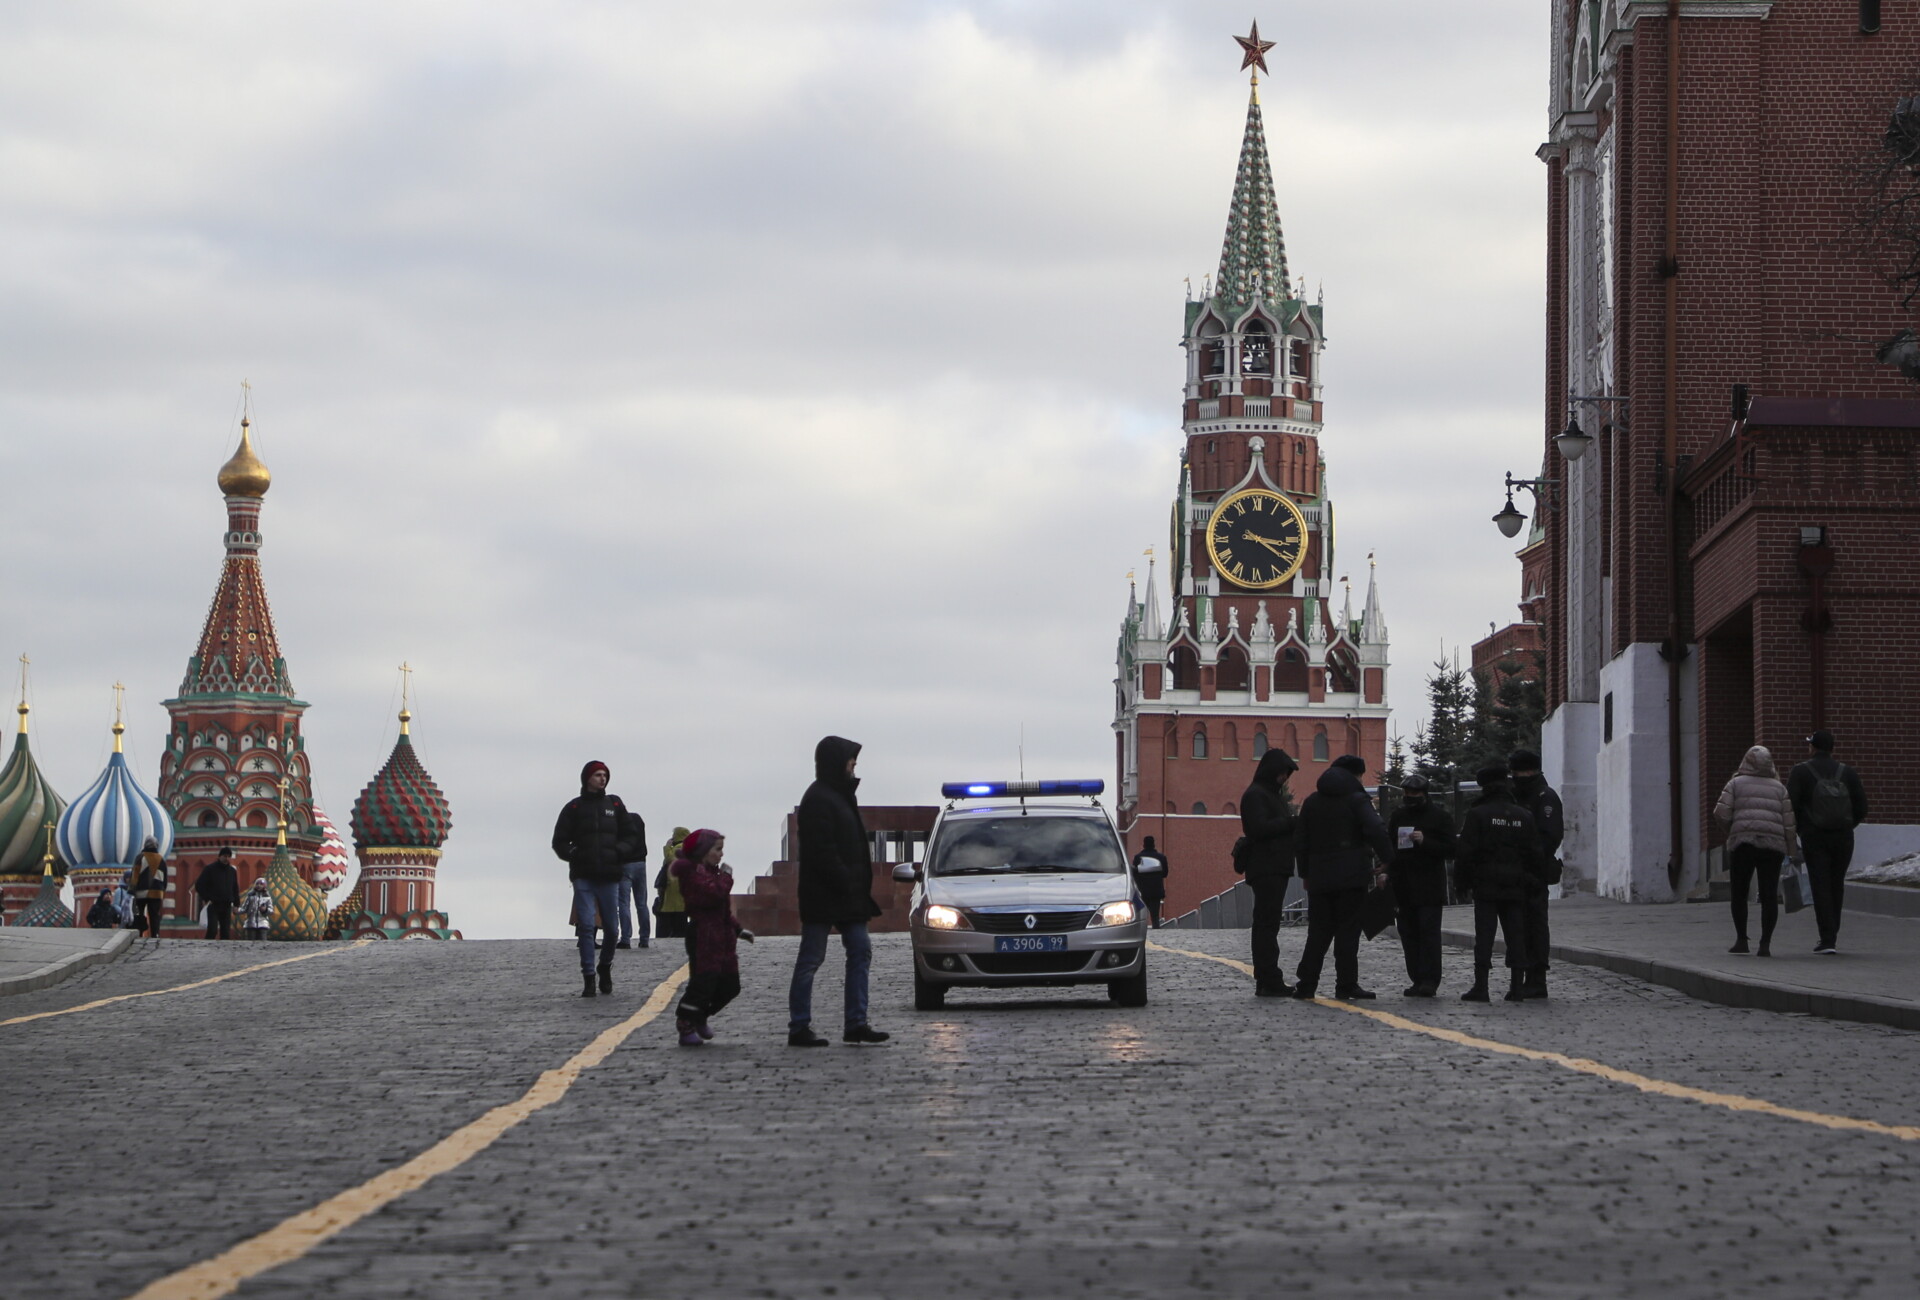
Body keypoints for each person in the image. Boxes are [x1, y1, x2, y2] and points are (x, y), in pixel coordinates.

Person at [787, 736, 889, 1046]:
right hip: (826, 894)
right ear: (837, 763)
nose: (854, 768)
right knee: (811, 959)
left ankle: (856, 1022)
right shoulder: (818, 798)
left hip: (849, 894)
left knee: (860, 952)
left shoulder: (840, 796)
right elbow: (823, 851)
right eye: (851, 763)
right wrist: (847, 880)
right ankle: (799, 1027)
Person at [1292, 754, 1392, 1001]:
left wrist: (1305, 873)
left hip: (1319, 877)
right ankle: (1346, 984)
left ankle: (1306, 984)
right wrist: (1389, 858)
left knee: (1318, 932)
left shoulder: (1312, 802)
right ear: (1356, 775)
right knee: (1348, 932)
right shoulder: (1357, 800)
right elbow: (1376, 829)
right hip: (1351, 875)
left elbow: (1301, 841)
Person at [1454, 763, 1546, 1003]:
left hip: (1486, 884)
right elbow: (1535, 853)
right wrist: (1532, 880)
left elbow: (1465, 852)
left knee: (1484, 936)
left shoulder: (1478, 814)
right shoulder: (1523, 815)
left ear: (1484, 787)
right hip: (1516, 885)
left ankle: (1481, 987)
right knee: (1516, 935)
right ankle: (1517, 987)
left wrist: (1461, 884)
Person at [551, 760, 640, 998]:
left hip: (610, 875)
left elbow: (631, 835)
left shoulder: (615, 804)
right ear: (587, 778)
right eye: (598, 775)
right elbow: (559, 841)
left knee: (612, 929)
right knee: (587, 927)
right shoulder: (574, 808)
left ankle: (605, 965)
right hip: (584, 876)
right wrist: (573, 855)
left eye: (605, 775)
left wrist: (620, 851)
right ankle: (589, 976)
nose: (602, 779)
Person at [671, 829, 755, 1046]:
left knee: (730, 985)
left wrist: (737, 930)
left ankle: (700, 1015)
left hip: (723, 938)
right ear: (703, 851)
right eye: (717, 850)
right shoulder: (692, 874)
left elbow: (722, 911)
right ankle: (686, 1021)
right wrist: (727, 877)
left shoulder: (711, 872)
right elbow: (714, 894)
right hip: (704, 937)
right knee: (703, 983)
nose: (721, 855)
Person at [1787, 730, 1868, 955]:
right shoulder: (1848, 772)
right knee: (1836, 883)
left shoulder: (1800, 772)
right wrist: (1846, 825)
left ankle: (1827, 938)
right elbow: (1862, 806)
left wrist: (1800, 831)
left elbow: (1790, 806)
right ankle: (1833, 933)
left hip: (1814, 837)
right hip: (1843, 838)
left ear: (1812, 747)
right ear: (1832, 748)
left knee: (1820, 884)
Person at [1712, 745, 1796, 957]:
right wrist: (1791, 849)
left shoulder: (1735, 784)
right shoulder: (1780, 789)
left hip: (1743, 844)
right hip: (1772, 845)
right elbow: (1789, 824)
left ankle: (1741, 939)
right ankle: (1765, 943)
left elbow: (1720, 812)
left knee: (1739, 892)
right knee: (1769, 894)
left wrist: (1732, 830)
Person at [1236, 748, 1300, 996]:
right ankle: (1268, 977)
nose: (1285, 779)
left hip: (1273, 866)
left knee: (1268, 924)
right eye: (1283, 773)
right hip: (1267, 867)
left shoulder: (1266, 794)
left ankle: (1267, 977)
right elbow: (1258, 828)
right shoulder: (1257, 795)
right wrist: (1291, 822)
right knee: (1266, 925)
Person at [1386, 773, 1456, 997]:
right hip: (1403, 886)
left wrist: (1426, 842)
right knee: (1408, 934)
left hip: (1429, 887)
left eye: (1414, 793)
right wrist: (1386, 869)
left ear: (1424, 794)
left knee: (1428, 934)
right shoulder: (1398, 816)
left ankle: (1430, 979)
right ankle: (1416, 978)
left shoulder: (1439, 817)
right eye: (1406, 793)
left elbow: (1451, 849)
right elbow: (1390, 847)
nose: (1409, 797)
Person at [1508, 749, 1563, 999]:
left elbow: (1550, 836)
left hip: (1535, 873)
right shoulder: (1514, 796)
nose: (1518, 776)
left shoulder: (1545, 797)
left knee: (1536, 926)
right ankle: (1520, 976)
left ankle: (1537, 977)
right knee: (1516, 927)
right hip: (1514, 872)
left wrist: (1529, 861)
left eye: (1521, 771)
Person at [615, 808, 651, 950]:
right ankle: (644, 938)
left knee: (624, 903)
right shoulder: (637, 819)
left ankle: (625, 939)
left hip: (625, 864)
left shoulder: (618, 823)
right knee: (642, 903)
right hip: (641, 863)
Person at [193, 846, 241, 941]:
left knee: (226, 932)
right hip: (214, 904)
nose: (226, 858)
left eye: (228, 856)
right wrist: (206, 898)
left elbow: (235, 888)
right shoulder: (209, 869)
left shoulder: (232, 871)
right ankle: (207, 948)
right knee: (212, 930)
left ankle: (224, 953)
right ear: (219, 856)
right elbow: (199, 885)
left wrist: (236, 904)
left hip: (227, 905)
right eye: (224, 856)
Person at [653, 827, 692, 941]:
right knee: (679, 914)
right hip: (679, 886)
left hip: (674, 886)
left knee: (674, 913)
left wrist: (666, 847)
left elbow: (671, 859)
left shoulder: (680, 847)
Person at [1131, 836, 1170, 929]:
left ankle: (1140, 932)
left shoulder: (1138, 857)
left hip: (1142, 890)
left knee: (1141, 914)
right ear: (1154, 844)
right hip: (1156, 890)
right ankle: (1156, 932)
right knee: (1155, 915)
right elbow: (1165, 873)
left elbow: (1134, 873)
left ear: (1143, 844)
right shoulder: (1161, 857)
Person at [132, 838, 168, 939]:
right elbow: (165, 878)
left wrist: (132, 889)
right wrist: (162, 890)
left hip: (141, 891)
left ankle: (138, 932)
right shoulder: (161, 859)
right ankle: (155, 934)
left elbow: (135, 875)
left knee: (139, 913)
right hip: (157, 892)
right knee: (155, 915)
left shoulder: (140, 857)